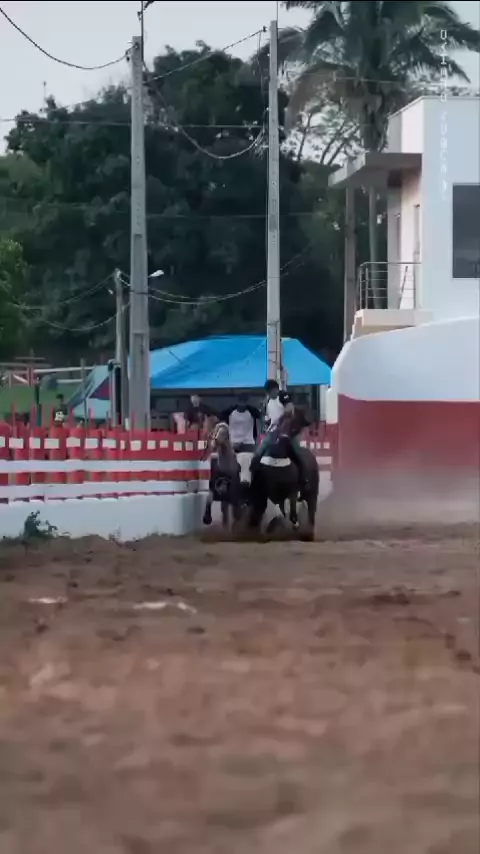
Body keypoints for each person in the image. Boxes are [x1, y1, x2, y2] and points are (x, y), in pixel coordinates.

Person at [251, 379, 308, 488]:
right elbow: (267, 417)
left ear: (276, 389)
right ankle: (253, 479)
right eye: (268, 392)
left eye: (271, 391)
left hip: (287, 432)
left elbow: (289, 409)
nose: (270, 394)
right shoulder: (267, 400)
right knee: (258, 453)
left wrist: (279, 420)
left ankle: (304, 478)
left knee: (297, 453)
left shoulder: (283, 396)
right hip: (272, 432)